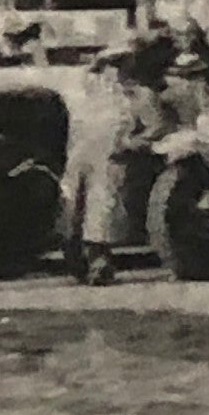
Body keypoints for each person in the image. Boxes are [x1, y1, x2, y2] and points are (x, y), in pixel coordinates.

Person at [59, 44, 144, 286]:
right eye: (114, 64)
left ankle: (96, 259)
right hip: (85, 152)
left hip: (104, 154)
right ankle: (83, 258)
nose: (117, 70)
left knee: (99, 203)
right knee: (79, 201)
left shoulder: (126, 94)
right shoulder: (90, 90)